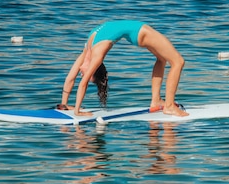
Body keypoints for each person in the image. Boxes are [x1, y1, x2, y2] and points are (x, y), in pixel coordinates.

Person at [60, 20, 188, 117]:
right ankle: (169, 106)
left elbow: (76, 80)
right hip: (139, 31)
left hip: (137, 32)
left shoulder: (89, 50)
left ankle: (156, 101)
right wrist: (66, 106)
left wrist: (75, 110)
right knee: (178, 62)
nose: (83, 74)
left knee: (163, 59)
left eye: (87, 73)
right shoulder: (93, 52)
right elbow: (75, 79)